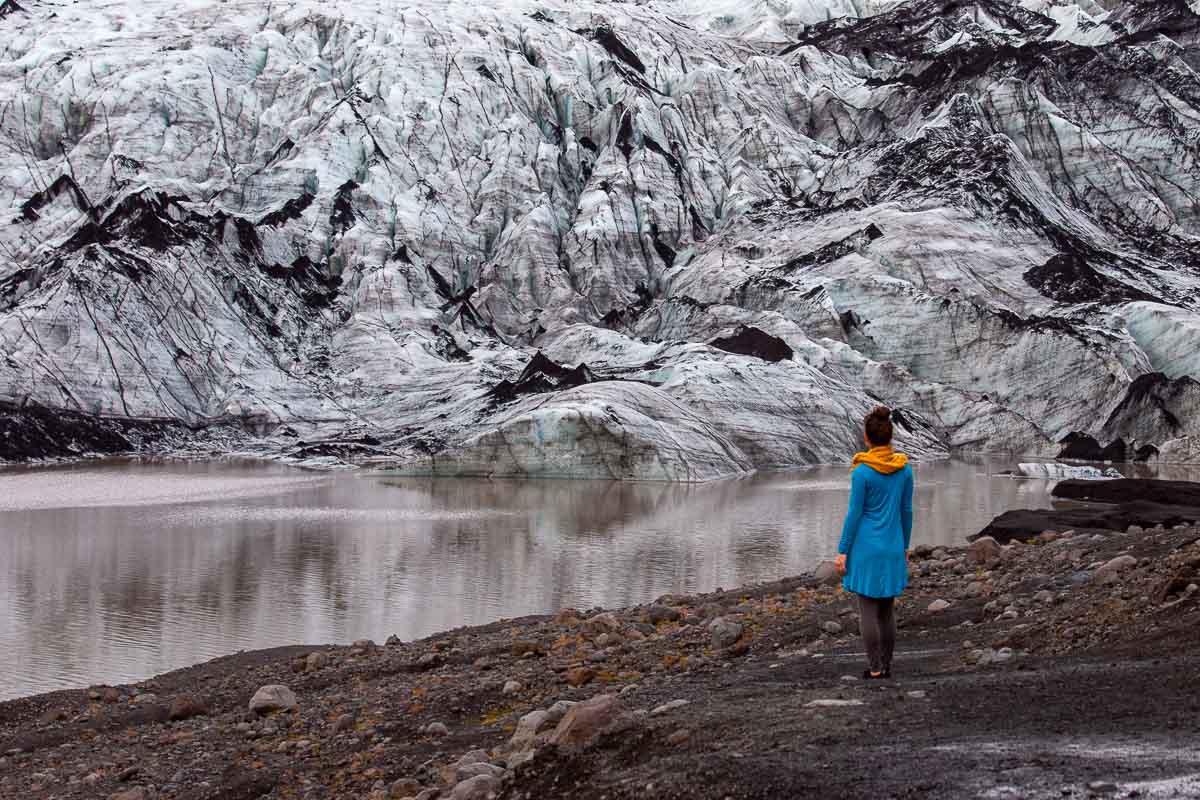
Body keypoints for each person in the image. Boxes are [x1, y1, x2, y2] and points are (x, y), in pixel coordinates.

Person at [835, 406, 913, 679]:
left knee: (867, 609)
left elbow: (854, 514)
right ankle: (887, 664)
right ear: (890, 436)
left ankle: (875, 668)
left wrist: (843, 550)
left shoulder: (861, 471)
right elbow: (906, 511)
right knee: (887, 610)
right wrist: (905, 546)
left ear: (867, 438)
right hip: (892, 544)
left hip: (865, 547)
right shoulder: (904, 469)